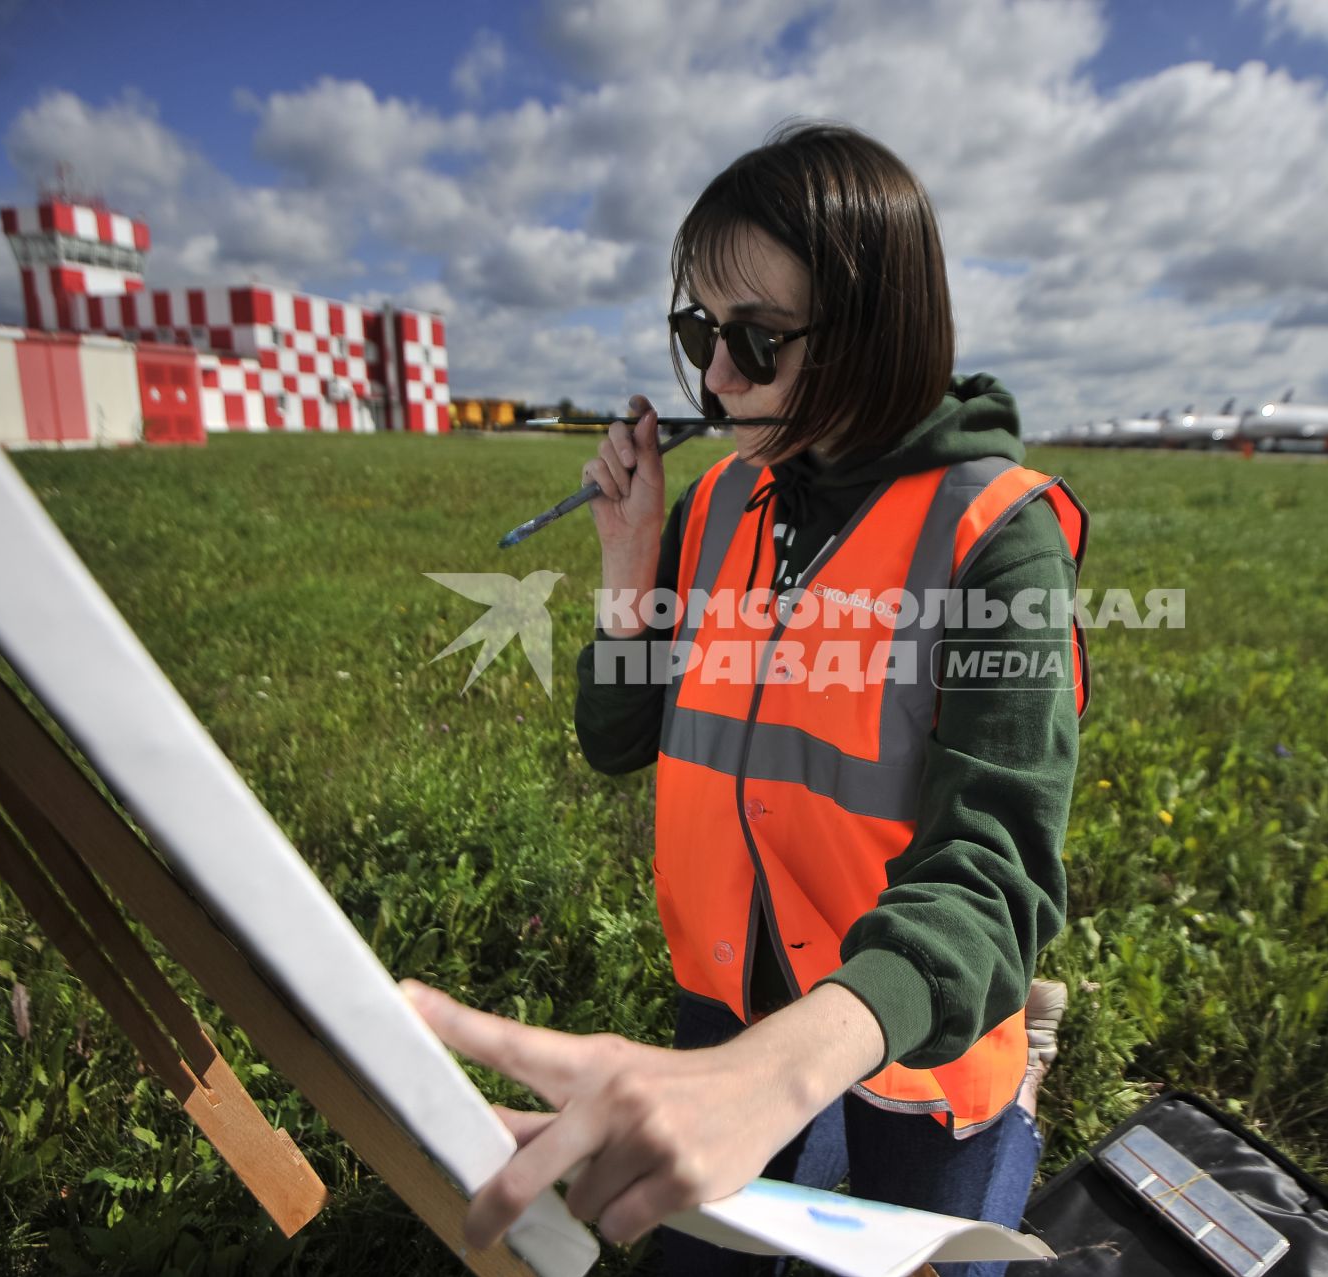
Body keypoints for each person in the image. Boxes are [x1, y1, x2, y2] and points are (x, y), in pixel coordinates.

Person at [401, 121, 1087, 1274]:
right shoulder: (722, 504)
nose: (715, 377)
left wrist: (780, 1071)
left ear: (872, 333)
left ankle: (1014, 1078)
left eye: (756, 341)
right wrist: (631, 575)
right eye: (698, 333)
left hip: (911, 1020)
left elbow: (997, 865)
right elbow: (618, 738)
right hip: (737, 988)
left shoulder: (998, 534)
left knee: (951, 1259)